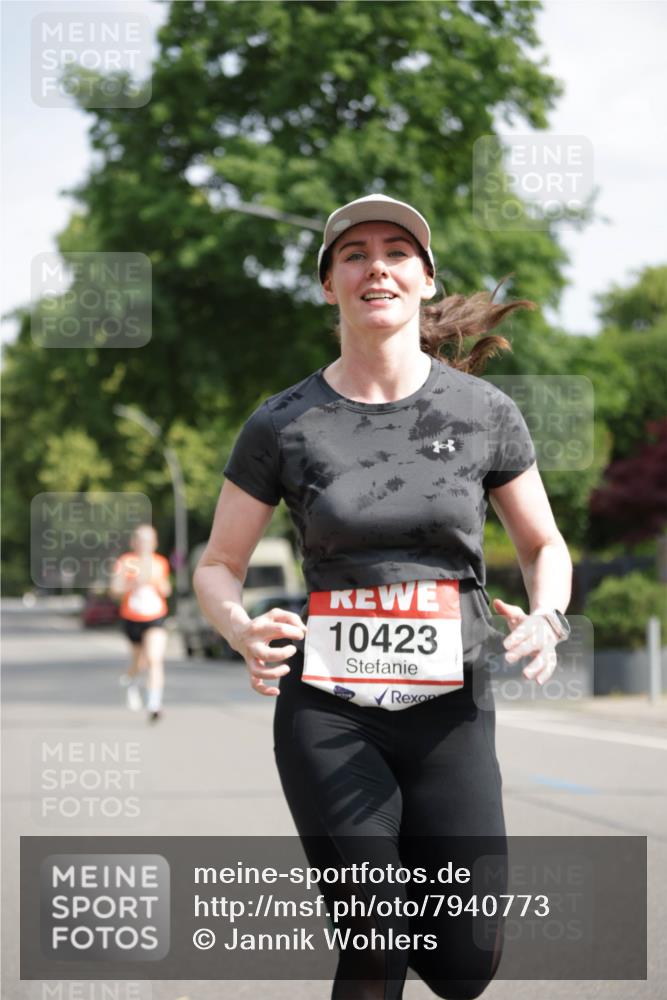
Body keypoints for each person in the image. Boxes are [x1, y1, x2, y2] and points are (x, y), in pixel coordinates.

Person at [193, 193, 572, 998]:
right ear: (329, 285)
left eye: (397, 252)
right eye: (354, 254)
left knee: (463, 965)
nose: (377, 266)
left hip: (451, 709)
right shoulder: (283, 423)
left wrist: (547, 615)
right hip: (329, 711)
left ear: (425, 281)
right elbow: (217, 563)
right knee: (376, 933)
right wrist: (237, 626)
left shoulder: (484, 413)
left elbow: (542, 545)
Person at [110, 523, 172, 723]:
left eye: (149, 540)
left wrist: (156, 581)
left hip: (155, 616)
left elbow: (166, 590)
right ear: (134, 542)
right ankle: (131, 681)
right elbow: (114, 590)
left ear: (154, 543)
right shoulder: (125, 561)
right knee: (139, 663)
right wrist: (131, 583)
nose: (145, 544)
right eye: (141, 540)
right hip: (132, 617)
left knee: (155, 659)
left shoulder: (160, 563)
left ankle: (154, 704)